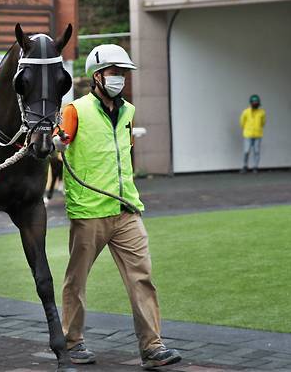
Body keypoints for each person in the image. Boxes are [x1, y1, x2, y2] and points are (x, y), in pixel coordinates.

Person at [53, 44, 182, 369]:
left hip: (126, 210)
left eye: (122, 73)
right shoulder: (75, 110)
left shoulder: (128, 111)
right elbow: (58, 143)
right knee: (76, 281)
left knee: (143, 278)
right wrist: (53, 142)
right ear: (97, 76)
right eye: (114, 73)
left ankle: (152, 347)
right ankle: (72, 342)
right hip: (89, 212)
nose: (120, 79)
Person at [239, 94, 265, 173]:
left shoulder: (262, 112)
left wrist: (258, 129)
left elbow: (263, 123)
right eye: (254, 102)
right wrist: (246, 130)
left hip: (258, 135)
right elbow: (242, 122)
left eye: (257, 102)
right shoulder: (245, 112)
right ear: (251, 103)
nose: (255, 103)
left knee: (257, 151)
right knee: (246, 151)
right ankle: (245, 166)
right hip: (248, 135)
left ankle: (255, 167)